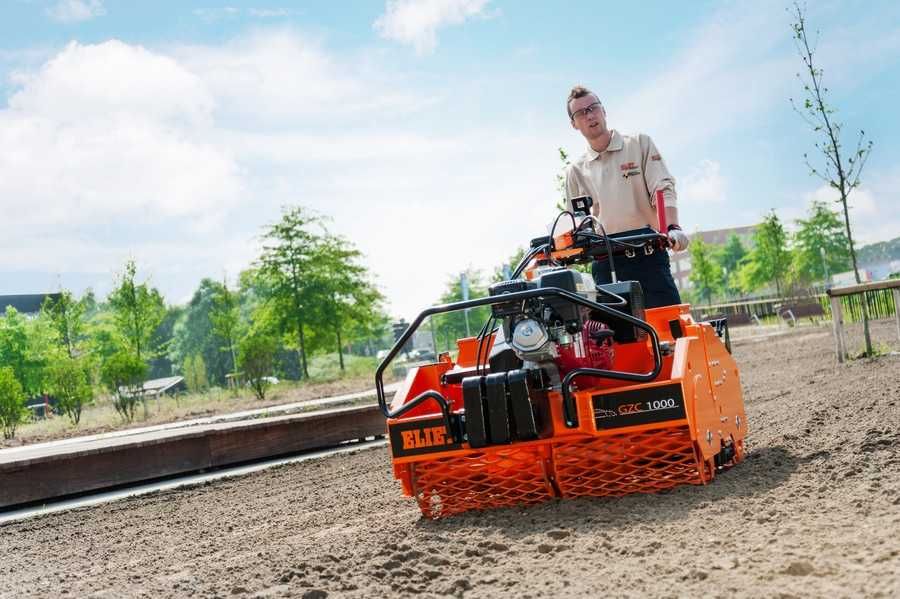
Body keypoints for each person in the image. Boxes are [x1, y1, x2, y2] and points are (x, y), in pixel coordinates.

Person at [564, 85, 689, 308]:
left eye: (593, 108)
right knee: (613, 339)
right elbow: (576, 224)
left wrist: (673, 228)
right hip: (606, 265)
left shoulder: (639, 144)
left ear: (604, 111)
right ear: (573, 124)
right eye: (581, 113)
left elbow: (663, 187)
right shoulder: (576, 171)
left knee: (669, 329)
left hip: (649, 256)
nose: (590, 115)